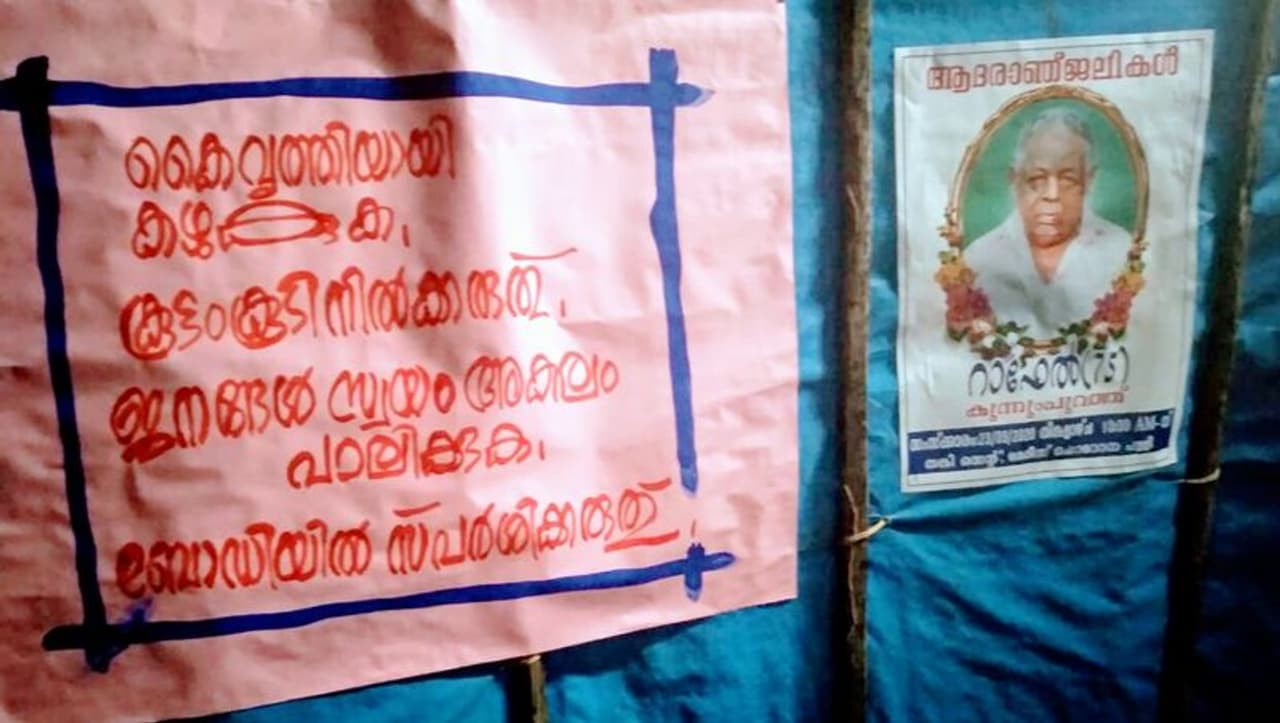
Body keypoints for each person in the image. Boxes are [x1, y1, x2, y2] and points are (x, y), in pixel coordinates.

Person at [963, 108, 1132, 339]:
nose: (1052, 195)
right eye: (1037, 179)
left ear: (1088, 181)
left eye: (1068, 180)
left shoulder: (1122, 253)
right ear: (1014, 180)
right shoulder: (977, 261)